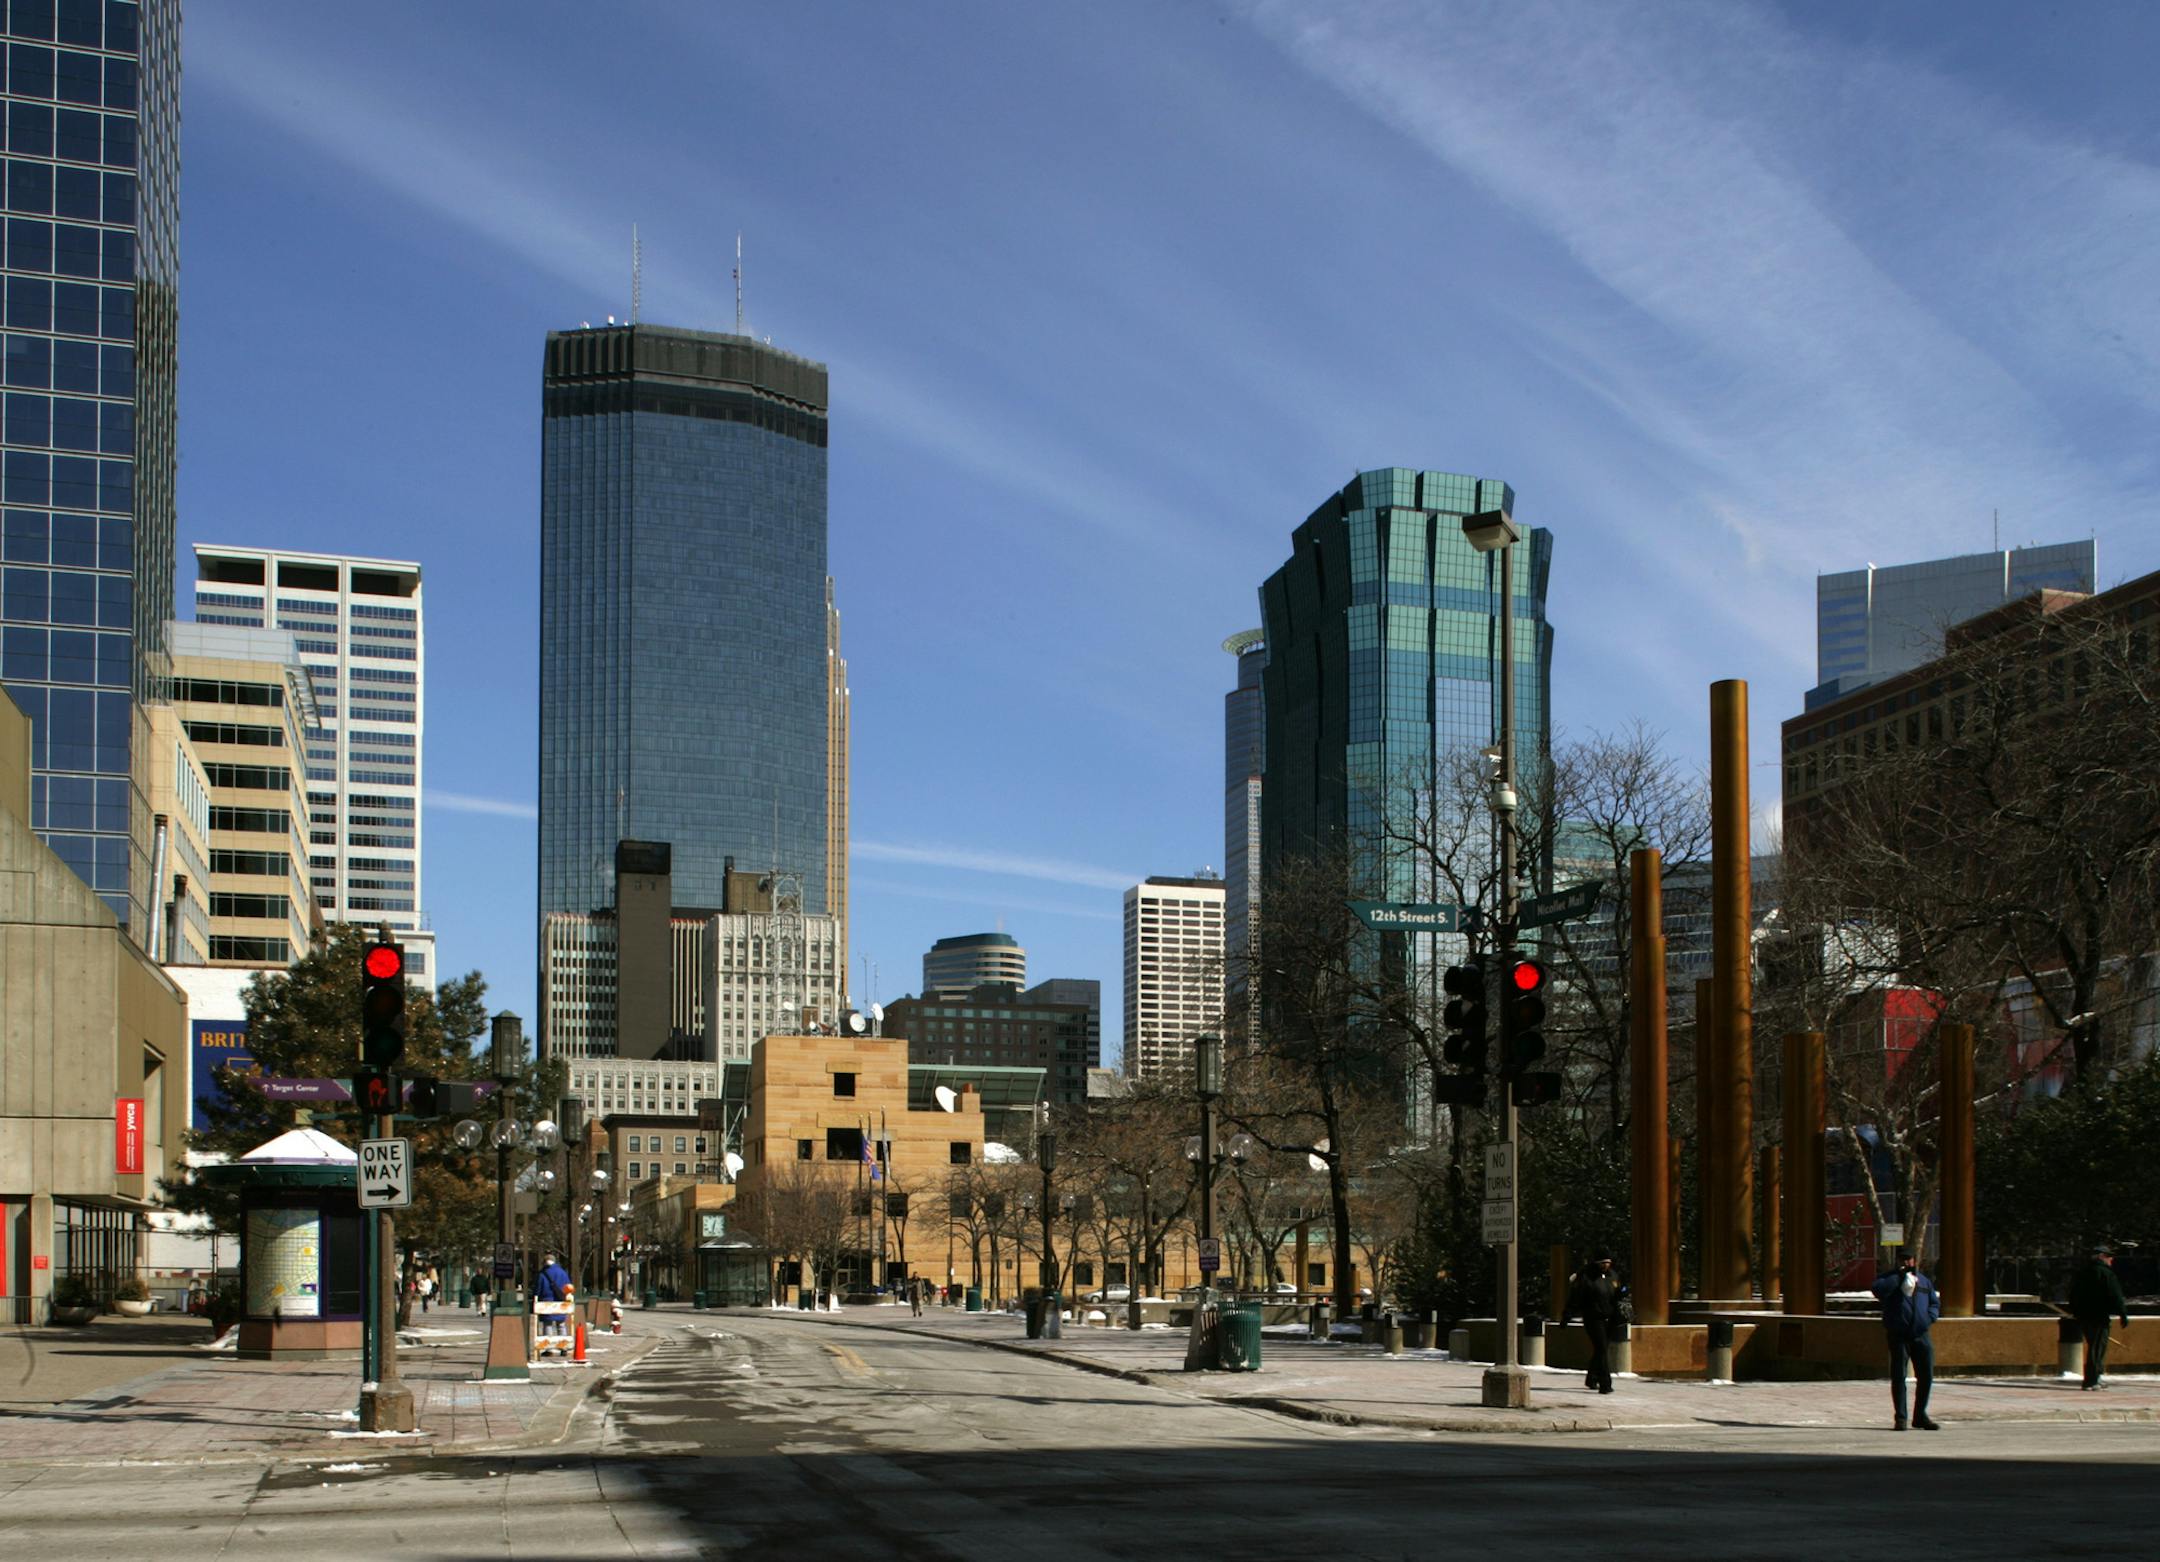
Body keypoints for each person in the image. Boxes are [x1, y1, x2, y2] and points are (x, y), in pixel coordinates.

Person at [1870, 1251, 1942, 1430]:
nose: (1906, 1262)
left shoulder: (1924, 1281)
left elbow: (1934, 1302)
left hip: (1921, 1334)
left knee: (1926, 1376)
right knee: (1899, 1377)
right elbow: (1878, 1291)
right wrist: (1898, 1277)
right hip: (1899, 1335)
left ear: (1915, 1260)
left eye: (1909, 1259)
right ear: (1897, 1261)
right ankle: (1901, 1417)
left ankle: (1920, 1416)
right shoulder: (1889, 1279)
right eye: (1903, 1259)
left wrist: (1929, 1318)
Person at [2068, 1244, 2131, 1390]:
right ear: (2101, 1257)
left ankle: (2096, 1376)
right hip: (2099, 1316)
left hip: (2083, 1316)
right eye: (2109, 1256)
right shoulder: (2105, 1273)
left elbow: (2073, 1294)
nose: (2111, 1259)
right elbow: (2115, 1295)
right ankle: (2092, 1380)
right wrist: (2123, 1314)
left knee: (2093, 1346)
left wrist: (2076, 1312)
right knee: (2097, 1348)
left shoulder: (2083, 1272)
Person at [1562, 1252, 1625, 1394]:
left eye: (1608, 1262)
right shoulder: (1586, 1278)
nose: (1606, 1265)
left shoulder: (1613, 1276)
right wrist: (1567, 1315)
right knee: (1602, 1348)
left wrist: (1623, 1297)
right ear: (1597, 1263)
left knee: (1600, 1350)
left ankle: (1591, 1378)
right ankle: (1605, 1384)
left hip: (1610, 1318)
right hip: (1593, 1318)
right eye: (1603, 1262)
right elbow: (1575, 1297)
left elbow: (1618, 1293)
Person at [535, 1251, 573, 1336]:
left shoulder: (542, 1274)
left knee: (548, 1325)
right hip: (560, 1300)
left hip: (546, 1302)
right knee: (561, 1324)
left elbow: (538, 1290)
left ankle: (549, 1345)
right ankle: (563, 1345)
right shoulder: (563, 1273)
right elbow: (569, 1288)